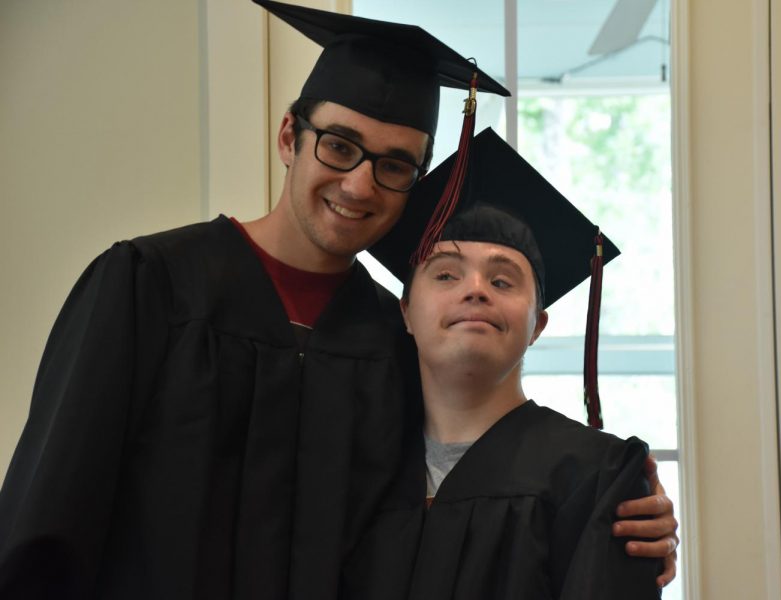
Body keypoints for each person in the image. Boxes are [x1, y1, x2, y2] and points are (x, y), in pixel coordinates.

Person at [0, 2, 676, 598]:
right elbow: (46, 524)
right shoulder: (149, 286)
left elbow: (464, 475)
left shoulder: (390, 338)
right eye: (339, 146)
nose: (358, 185)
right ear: (290, 137)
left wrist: (615, 506)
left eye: (393, 164)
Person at [345, 127, 662, 599]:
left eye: (503, 281)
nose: (475, 289)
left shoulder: (596, 479)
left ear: (537, 325)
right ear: (406, 312)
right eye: (446, 273)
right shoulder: (351, 470)